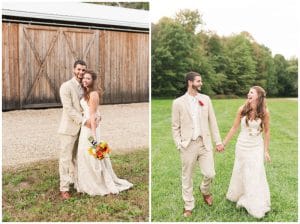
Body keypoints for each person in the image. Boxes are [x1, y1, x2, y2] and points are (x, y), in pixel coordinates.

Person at [171, 71, 224, 217]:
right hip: (188, 145)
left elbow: (212, 122)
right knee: (187, 176)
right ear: (190, 82)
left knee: (210, 173)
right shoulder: (178, 103)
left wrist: (218, 141)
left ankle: (204, 190)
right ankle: (188, 205)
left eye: (201, 81)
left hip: (204, 143)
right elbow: (175, 127)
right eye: (198, 81)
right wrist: (179, 143)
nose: (201, 84)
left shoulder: (206, 99)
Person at [74, 70, 133, 195]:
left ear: (93, 81)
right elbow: (91, 112)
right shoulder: (86, 92)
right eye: (84, 78)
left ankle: (97, 181)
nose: (85, 80)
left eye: (88, 78)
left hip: (91, 129)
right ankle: (86, 181)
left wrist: (94, 136)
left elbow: (93, 114)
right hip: (87, 126)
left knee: (93, 153)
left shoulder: (93, 94)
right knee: (84, 154)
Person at [223, 86, 271, 219]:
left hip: (256, 146)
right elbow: (234, 128)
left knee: (255, 172)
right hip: (242, 145)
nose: (248, 94)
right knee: (241, 170)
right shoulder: (242, 109)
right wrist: (224, 143)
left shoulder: (265, 112)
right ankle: (239, 194)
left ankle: (253, 200)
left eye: (251, 92)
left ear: (258, 96)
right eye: (248, 92)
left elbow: (267, 131)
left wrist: (266, 150)